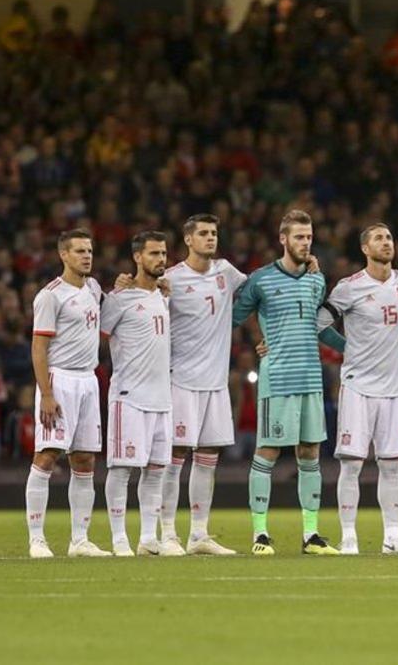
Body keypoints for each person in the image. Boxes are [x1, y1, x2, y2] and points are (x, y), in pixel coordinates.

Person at [232, 210, 346, 556]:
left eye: (309, 237)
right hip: (278, 378)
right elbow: (233, 317)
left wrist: (354, 350)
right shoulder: (261, 279)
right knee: (268, 451)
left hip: (311, 377)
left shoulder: (316, 280)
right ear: (283, 239)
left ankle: (310, 535)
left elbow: (317, 327)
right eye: (298, 237)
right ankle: (260, 535)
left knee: (310, 452)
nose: (305, 242)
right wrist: (255, 341)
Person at [321, 224, 398, 555]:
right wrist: (347, 348)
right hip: (358, 387)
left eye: (389, 237)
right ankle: (349, 536)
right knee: (352, 464)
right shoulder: (349, 287)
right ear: (365, 248)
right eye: (379, 238)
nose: (387, 242)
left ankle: (392, 537)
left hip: (393, 390)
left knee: (392, 465)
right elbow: (320, 323)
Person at [154, 214, 246, 555]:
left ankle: (198, 535)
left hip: (216, 384)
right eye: (204, 233)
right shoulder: (171, 279)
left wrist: (303, 267)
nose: (210, 238)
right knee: (175, 456)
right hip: (181, 381)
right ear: (188, 240)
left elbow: (260, 290)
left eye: (214, 233)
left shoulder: (227, 272)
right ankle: (167, 534)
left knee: (208, 456)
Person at [26, 229, 111, 558]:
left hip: (88, 380)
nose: (87, 256)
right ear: (63, 255)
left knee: (85, 458)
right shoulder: (50, 295)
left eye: (89, 250)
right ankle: (37, 539)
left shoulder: (93, 287)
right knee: (47, 455)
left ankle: (80, 540)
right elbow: (38, 347)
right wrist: (46, 394)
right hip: (59, 380)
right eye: (79, 251)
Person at [101, 231, 177, 556]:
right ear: (137, 257)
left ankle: (148, 538)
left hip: (162, 399)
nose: (161, 259)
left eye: (163, 253)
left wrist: (167, 294)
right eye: (154, 254)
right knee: (122, 469)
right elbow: (96, 335)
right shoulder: (118, 299)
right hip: (129, 396)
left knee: (156, 470)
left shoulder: (163, 295)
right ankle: (119, 539)